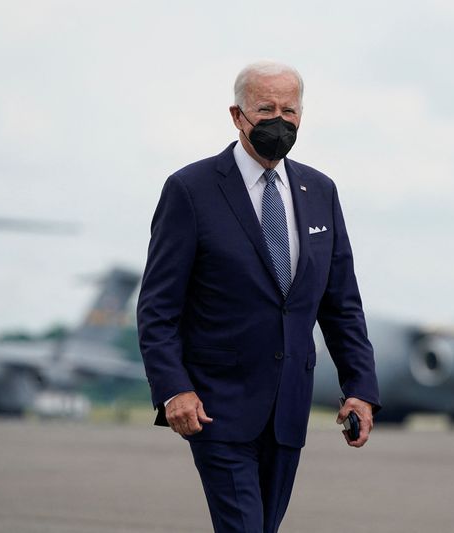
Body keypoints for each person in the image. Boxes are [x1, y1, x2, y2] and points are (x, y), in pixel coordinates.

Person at [137, 60, 380, 533]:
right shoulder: (190, 190)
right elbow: (157, 308)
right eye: (265, 108)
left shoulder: (320, 191)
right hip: (215, 407)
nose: (279, 120)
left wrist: (361, 389)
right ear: (236, 115)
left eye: (289, 110)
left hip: (289, 406)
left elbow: (342, 304)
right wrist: (173, 388)